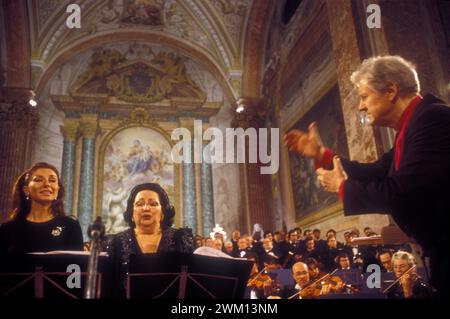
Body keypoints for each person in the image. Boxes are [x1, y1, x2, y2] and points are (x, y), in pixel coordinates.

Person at [284, 55, 449, 298]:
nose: (360, 106)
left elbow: (401, 192)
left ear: (391, 90)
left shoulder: (432, 119)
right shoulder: (412, 125)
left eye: (364, 97)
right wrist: (323, 154)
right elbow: (376, 171)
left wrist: (343, 187)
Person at [108, 182, 194, 297]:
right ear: (132, 213)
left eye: (153, 204)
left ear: (163, 213)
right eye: (139, 204)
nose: (146, 208)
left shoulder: (180, 238)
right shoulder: (117, 242)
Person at [0, 162, 83, 258]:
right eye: (39, 180)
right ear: (26, 190)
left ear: (57, 191)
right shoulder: (8, 229)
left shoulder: (70, 225)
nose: (47, 184)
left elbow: (77, 268)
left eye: (52, 180)